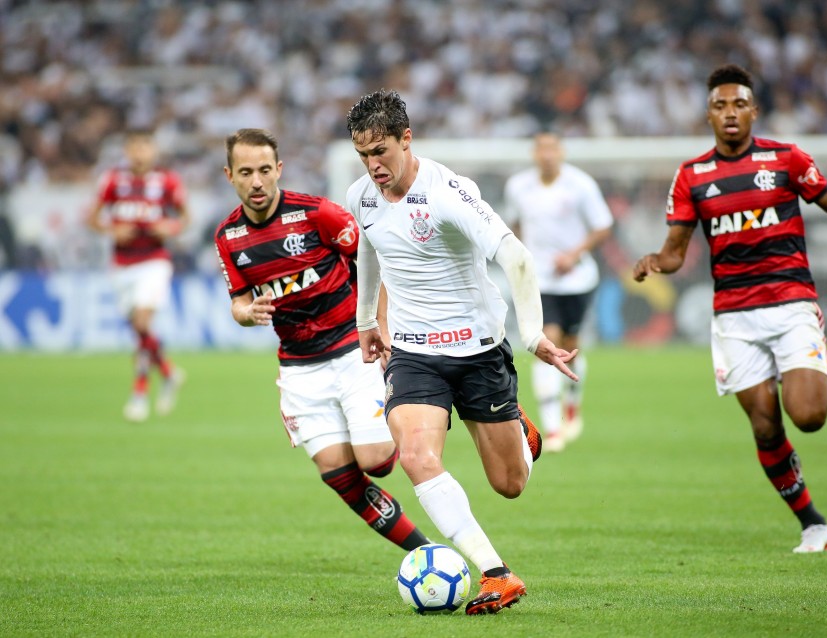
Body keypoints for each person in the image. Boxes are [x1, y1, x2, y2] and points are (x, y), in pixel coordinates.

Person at [346, 89, 578, 615]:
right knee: (416, 456)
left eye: (381, 151)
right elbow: (368, 249)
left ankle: (520, 431)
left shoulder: (451, 191)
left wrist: (534, 334)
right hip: (413, 353)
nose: (373, 165)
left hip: (477, 351)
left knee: (510, 484)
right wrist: (366, 322)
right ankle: (496, 573)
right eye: (363, 154)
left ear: (407, 140)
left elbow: (517, 258)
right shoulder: (361, 195)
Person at [632, 64, 827, 553]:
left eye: (739, 104)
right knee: (765, 424)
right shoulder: (692, 175)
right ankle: (812, 523)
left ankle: (800, 371)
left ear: (754, 110)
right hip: (735, 318)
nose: (731, 113)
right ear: (709, 116)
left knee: (807, 416)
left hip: (790, 305)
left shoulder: (785, 159)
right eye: (721, 106)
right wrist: (657, 260)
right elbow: (677, 251)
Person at [214, 128, 430, 555]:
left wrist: (379, 325)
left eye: (263, 170)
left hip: (352, 351)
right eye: (245, 173)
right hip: (299, 370)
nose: (256, 182)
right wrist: (247, 312)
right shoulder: (229, 238)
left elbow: (374, 260)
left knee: (376, 462)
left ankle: (433, 406)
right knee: (338, 473)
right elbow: (238, 302)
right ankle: (426, 552)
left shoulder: (316, 214)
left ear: (278, 170)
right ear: (229, 176)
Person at [503, 131, 613, 452]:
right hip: (540, 281)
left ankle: (572, 406)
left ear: (561, 152)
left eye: (552, 148)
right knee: (546, 342)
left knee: (570, 344)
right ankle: (552, 428)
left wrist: (574, 254)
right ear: (534, 153)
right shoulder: (518, 187)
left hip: (577, 280)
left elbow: (603, 226)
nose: (547, 154)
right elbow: (514, 224)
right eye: (541, 149)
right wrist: (524, 254)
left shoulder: (581, 185)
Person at [88, 129, 189, 422]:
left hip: (154, 261)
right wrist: (111, 229)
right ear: (126, 150)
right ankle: (169, 373)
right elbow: (93, 218)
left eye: (145, 147)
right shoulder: (112, 180)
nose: (139, 153)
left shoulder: (167, 181)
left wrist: (169, 228)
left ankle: (140, 392)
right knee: (140, 332)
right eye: (134, 147)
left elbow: (184, 218)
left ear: (153, 151)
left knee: (143, 322)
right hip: (122, 264)